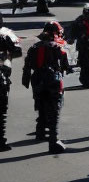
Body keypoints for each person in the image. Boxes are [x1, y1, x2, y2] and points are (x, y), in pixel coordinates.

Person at [21, 21, 70, 153]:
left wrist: (26, 80)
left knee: (41, 105)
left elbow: (27, 66)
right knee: (55, 110)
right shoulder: (58, 47)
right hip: (53, 80)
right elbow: (66, 65)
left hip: (37, 79)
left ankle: (40, 131)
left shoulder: (33, 48)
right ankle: (53, 140)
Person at [0, 22, 23, 151]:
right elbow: (18, 50)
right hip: (2, 74)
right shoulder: (7, 33)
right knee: (1, 108)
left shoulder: (6, 33)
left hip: (3, 73)